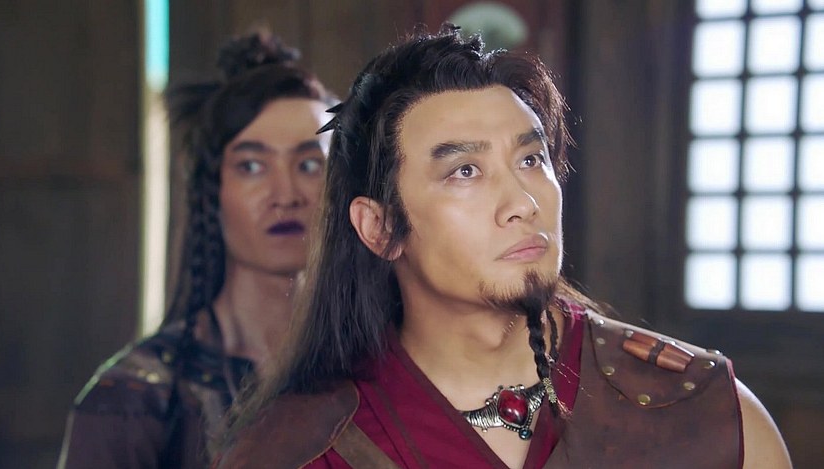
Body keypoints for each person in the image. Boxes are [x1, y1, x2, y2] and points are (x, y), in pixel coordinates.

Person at [218, 26, 792, 469]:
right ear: (380, 228)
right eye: (465, 171)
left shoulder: (704, 412)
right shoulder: (303, 448)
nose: (522, 201)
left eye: (531, 159)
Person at [58, 30, 336, 468]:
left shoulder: (378, 373)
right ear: (212, 192)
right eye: (251, 166)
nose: (285, 194)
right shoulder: (134, 399)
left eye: (309, 164)